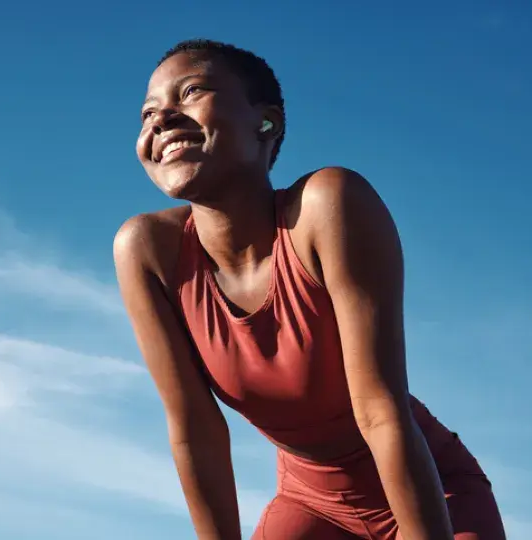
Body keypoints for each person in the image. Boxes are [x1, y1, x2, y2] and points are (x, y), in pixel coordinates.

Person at [113, 39, 506, 540]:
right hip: (309, 505)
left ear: (266, 124)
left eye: (191, 92)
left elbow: (379, 409)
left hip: (432, 493)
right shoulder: (147, 251)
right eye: (148, 112)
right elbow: (196, 431)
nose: (160, 119)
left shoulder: (327, 206)